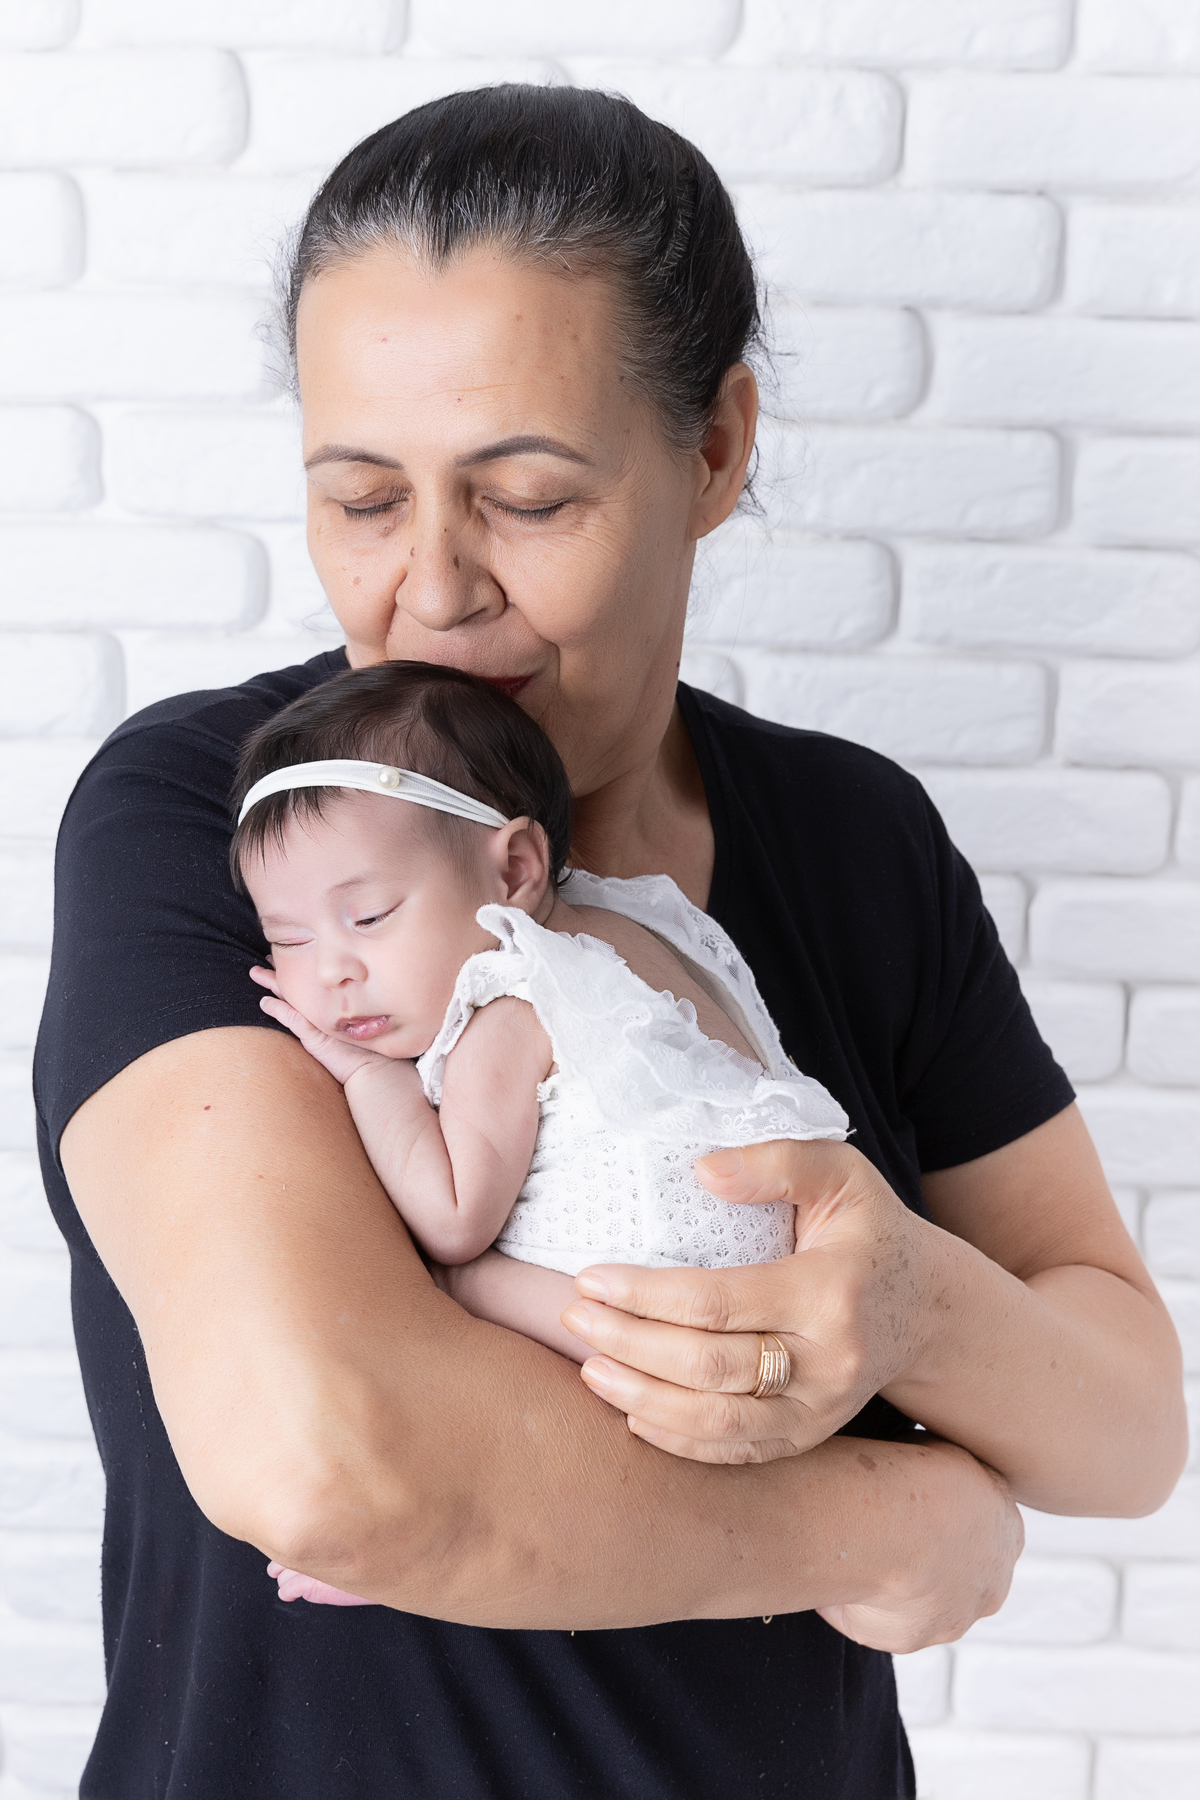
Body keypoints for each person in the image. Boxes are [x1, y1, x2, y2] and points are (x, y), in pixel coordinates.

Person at [37, 85, 1185, 1799]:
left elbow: (1127, 1423)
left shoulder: (853, 843)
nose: (429, 589)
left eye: (525, 497)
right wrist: (892, 1522)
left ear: (716, 448)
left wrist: (910, 1308)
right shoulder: (239, 826)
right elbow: (328, 1464)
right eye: (361, 498)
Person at [231, 657, 849, 1607]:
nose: (332, 974)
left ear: (513, 869)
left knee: (444, 1287)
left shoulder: (512, 1004)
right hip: (766, 1313)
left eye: (368, 915)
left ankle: (419, 1530)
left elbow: (453, 1214)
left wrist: (370, 1078)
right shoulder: (639, 929)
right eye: (289, 940)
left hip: (659, 1315)